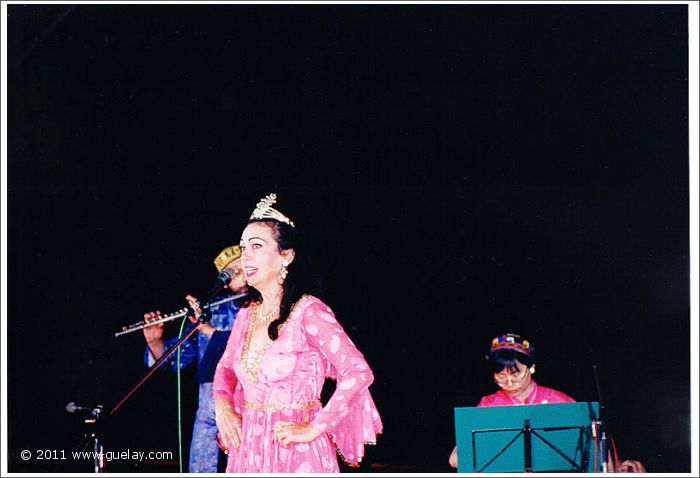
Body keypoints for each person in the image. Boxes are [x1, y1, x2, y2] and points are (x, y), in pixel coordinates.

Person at [208, 193, 383, 473]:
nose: (245, 257)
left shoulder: (309, 312)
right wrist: (223, 406)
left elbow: (359, 372)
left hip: (294, 450)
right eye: (243, 248)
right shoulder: (246, 315)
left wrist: (316, 427)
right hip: (248, 450)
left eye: (256, 246)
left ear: (286, 256)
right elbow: (226, 368)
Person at [448, 333, 645, 473]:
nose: (508, 383)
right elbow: (455, 460)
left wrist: (614, 469)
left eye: (516, 374)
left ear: (531, 368)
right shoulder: (488, 404)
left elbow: (596, 455)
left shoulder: (559, 401)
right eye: (500, 376)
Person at [142, 245, 247, 473]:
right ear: (225, 282)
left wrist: (211, 332)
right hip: (209, 414)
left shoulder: (264, 308)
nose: (242, 274)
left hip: (249, 413)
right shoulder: (208, 312)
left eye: (244, 267)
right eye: (233, 272)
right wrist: (155, 343)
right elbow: (177, 360)